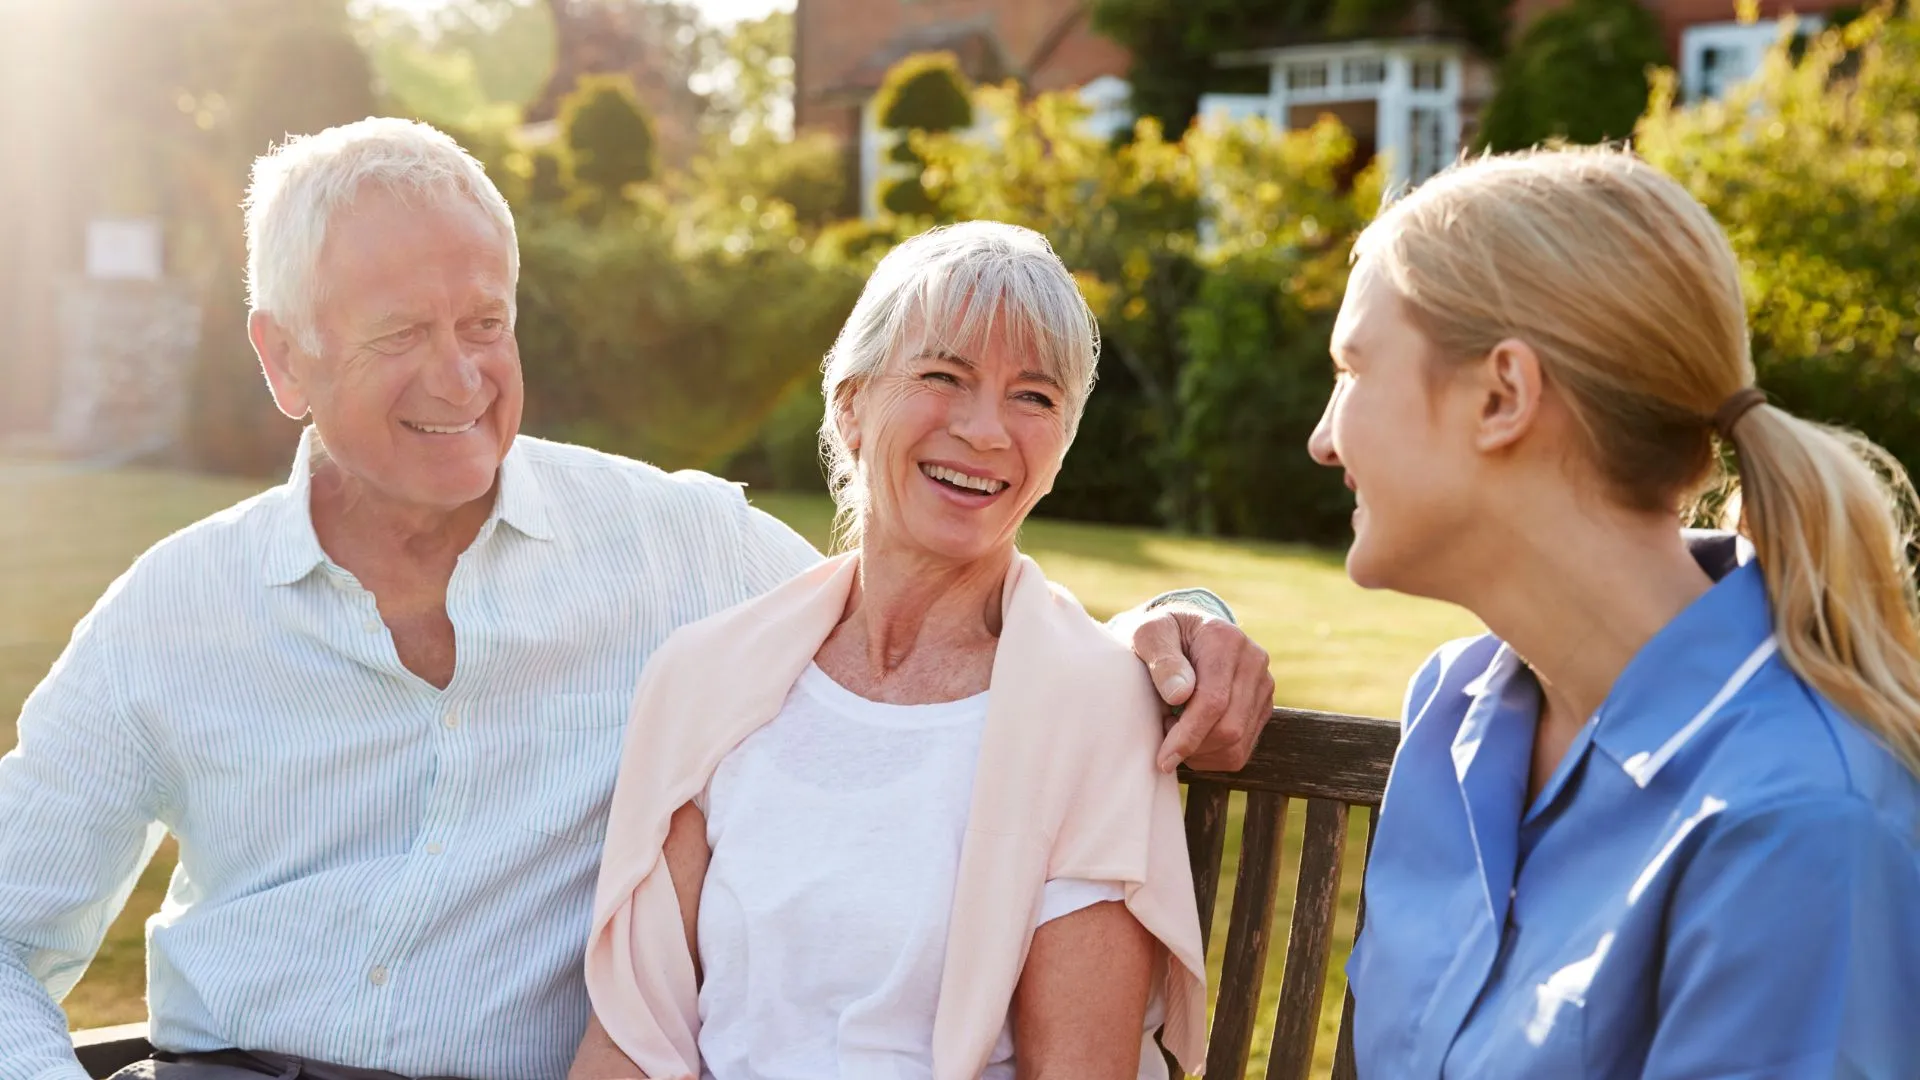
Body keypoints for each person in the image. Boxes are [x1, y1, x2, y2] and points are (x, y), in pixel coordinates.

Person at [0, 119, 1274, 1080]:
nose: (460, 377)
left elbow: (922, 614)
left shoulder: (673, 550)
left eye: (485, 324)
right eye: (399, 334)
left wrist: (1182, 619)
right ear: (285, 357)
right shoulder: (174, 611)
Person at [1312, 147, 1920, 1079]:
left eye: (1352, 370)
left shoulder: (1799, 824)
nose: (1323, 437)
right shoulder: (1453, 708)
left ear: (1502, 396)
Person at [565, 221, 1207, 1080]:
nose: (986, 431)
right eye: (944, 375)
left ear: (1061, 448)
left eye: (1034, 396)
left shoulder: (1090, 708)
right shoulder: (708, 681)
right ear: (852, 405)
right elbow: (632, 1043)